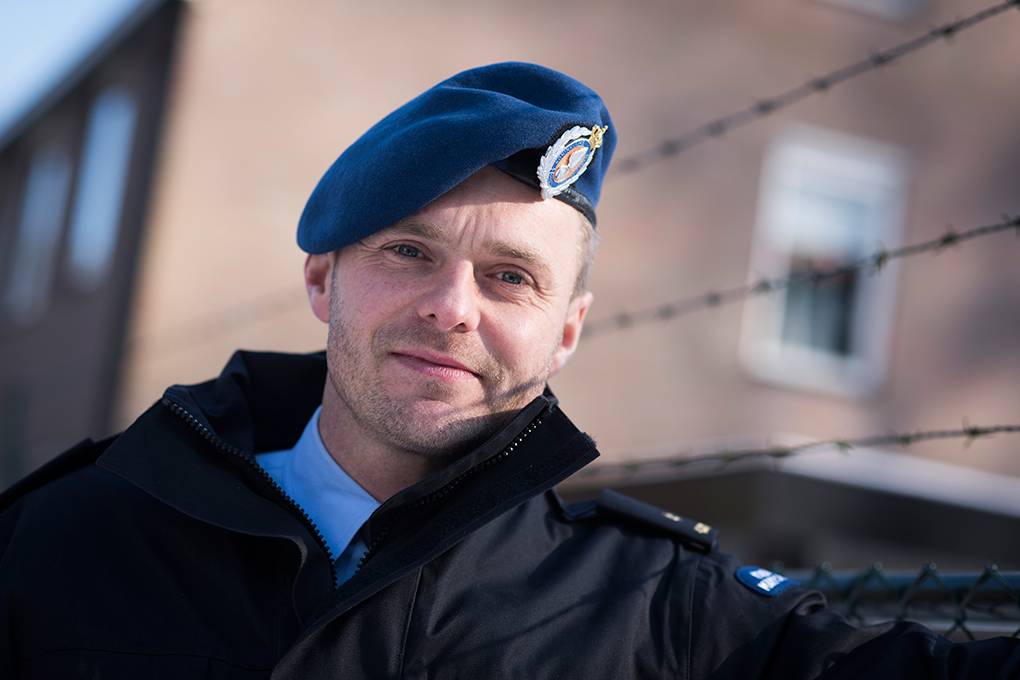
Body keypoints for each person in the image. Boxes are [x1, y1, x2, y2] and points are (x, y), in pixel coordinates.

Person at [0, 62, 1016, 680]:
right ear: (321, 278)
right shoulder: (70, 536)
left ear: (565, 332)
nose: (453, 307)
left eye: (510, 277)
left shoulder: (653, 608)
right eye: (410, 252)